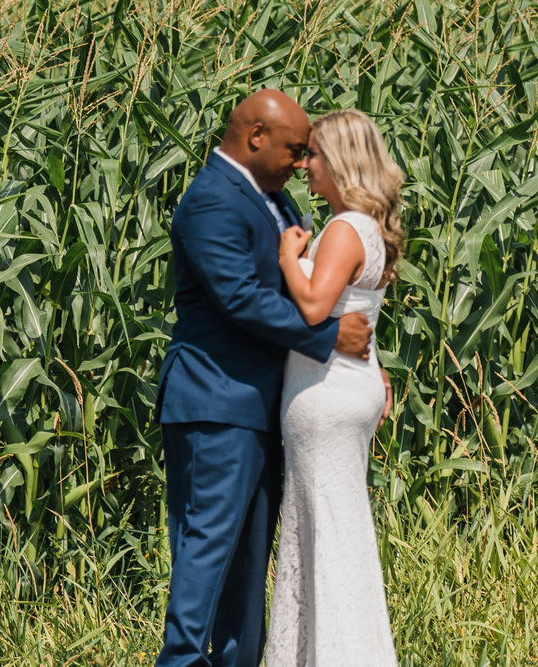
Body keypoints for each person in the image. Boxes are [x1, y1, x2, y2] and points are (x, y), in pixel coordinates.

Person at [157, 88, 375, 667]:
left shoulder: (269, 199)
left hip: (263, 407)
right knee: (206, 558)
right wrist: (329, 341)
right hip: (215, 403)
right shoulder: (211, 201)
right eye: (294, 150)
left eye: (308, 153)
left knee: (249, 568)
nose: (302, 164)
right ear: (256, 137)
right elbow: (240, 298)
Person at [267, 109, 406, 667]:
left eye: (316, 155)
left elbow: (316, 307)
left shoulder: (345, 229)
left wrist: (287, 258)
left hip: (324, 396)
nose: (306, 165)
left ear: (343, 163)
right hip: (352, 386)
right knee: (338, 529)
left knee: (324, 530)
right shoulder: (368, 227)